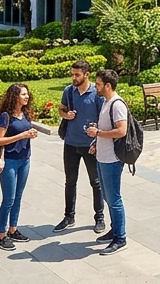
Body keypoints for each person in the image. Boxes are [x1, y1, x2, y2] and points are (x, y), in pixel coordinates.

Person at [55, 59, 105, 233]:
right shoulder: (69, 91)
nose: (73, 77)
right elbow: (60, 109)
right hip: (70, 143)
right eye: (72, 74)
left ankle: (99, 218)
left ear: (87, 75)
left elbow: (103, 119)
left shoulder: (96, 94)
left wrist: (98, 139)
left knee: (96, 182)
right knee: (70, 181)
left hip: (90, 145)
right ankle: (69, 216)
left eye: (77, 75)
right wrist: (66, 115)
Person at [86, 69, 129, 254]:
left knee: (114, 199)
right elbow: (106, 128)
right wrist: (97, 141)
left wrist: (99, 134)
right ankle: (115, 229)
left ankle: (120, 237)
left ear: (108, 85)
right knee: (107, 197)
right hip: (102, 157)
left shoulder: (117, 104)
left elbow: (121, 131)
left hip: (112, 160)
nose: (96, 86)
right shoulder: (106, 102)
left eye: (98, 84)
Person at [0, 83, 37, 250]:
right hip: (10, 161)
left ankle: (13, 229)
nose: (26, 97)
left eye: (27, 94)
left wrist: (30, 134)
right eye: (23, 94)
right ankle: (1, 235)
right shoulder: (6, 116)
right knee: (8, 199)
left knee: (18, 197)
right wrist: (23, 135)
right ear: (15, 96)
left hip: (25, 159)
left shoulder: (25, 113)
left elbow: (25, 132)